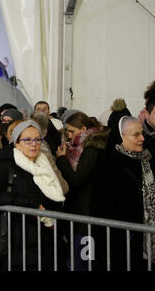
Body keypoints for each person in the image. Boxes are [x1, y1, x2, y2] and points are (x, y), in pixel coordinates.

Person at [0, 120, 65, 271]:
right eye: (27, 140)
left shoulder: (44, 163)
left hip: (47, 240)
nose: (33, 144)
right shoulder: (6, 164)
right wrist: (31, 204)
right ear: (16, 143)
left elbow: (56, 196)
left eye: (37, 139)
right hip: (18, 241)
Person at [91, 117, 155, 270]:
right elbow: (99, 207)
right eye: (136, 135)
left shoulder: (149, 159)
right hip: (122, 243)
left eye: (142, 133)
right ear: (121, 136)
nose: (142, 138)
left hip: (153, 239)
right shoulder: (108, 165)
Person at [55, 111, 108, 270]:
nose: (69, 136)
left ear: (83, 128)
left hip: (86, 215)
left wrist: (61, 160)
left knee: (80, 262)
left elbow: (77, 179)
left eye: (72, 131)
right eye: (67, 131)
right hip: (80, 212)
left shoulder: (91, 149)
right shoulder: (79, 147)